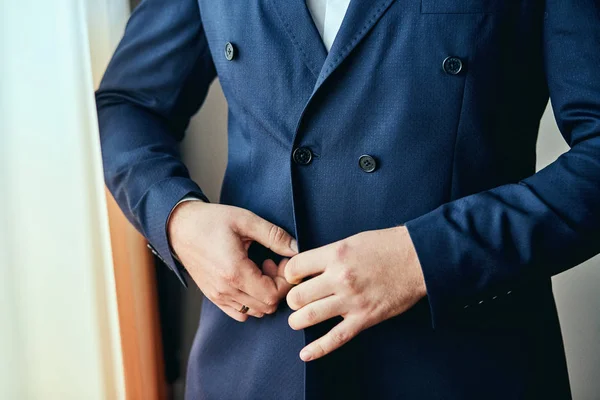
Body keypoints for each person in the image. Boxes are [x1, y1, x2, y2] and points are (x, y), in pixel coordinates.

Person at [95, 0, 600, 398]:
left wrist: (424, 258)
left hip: (462, 365)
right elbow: (129, 103)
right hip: (254, 364)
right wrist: (178, 219)